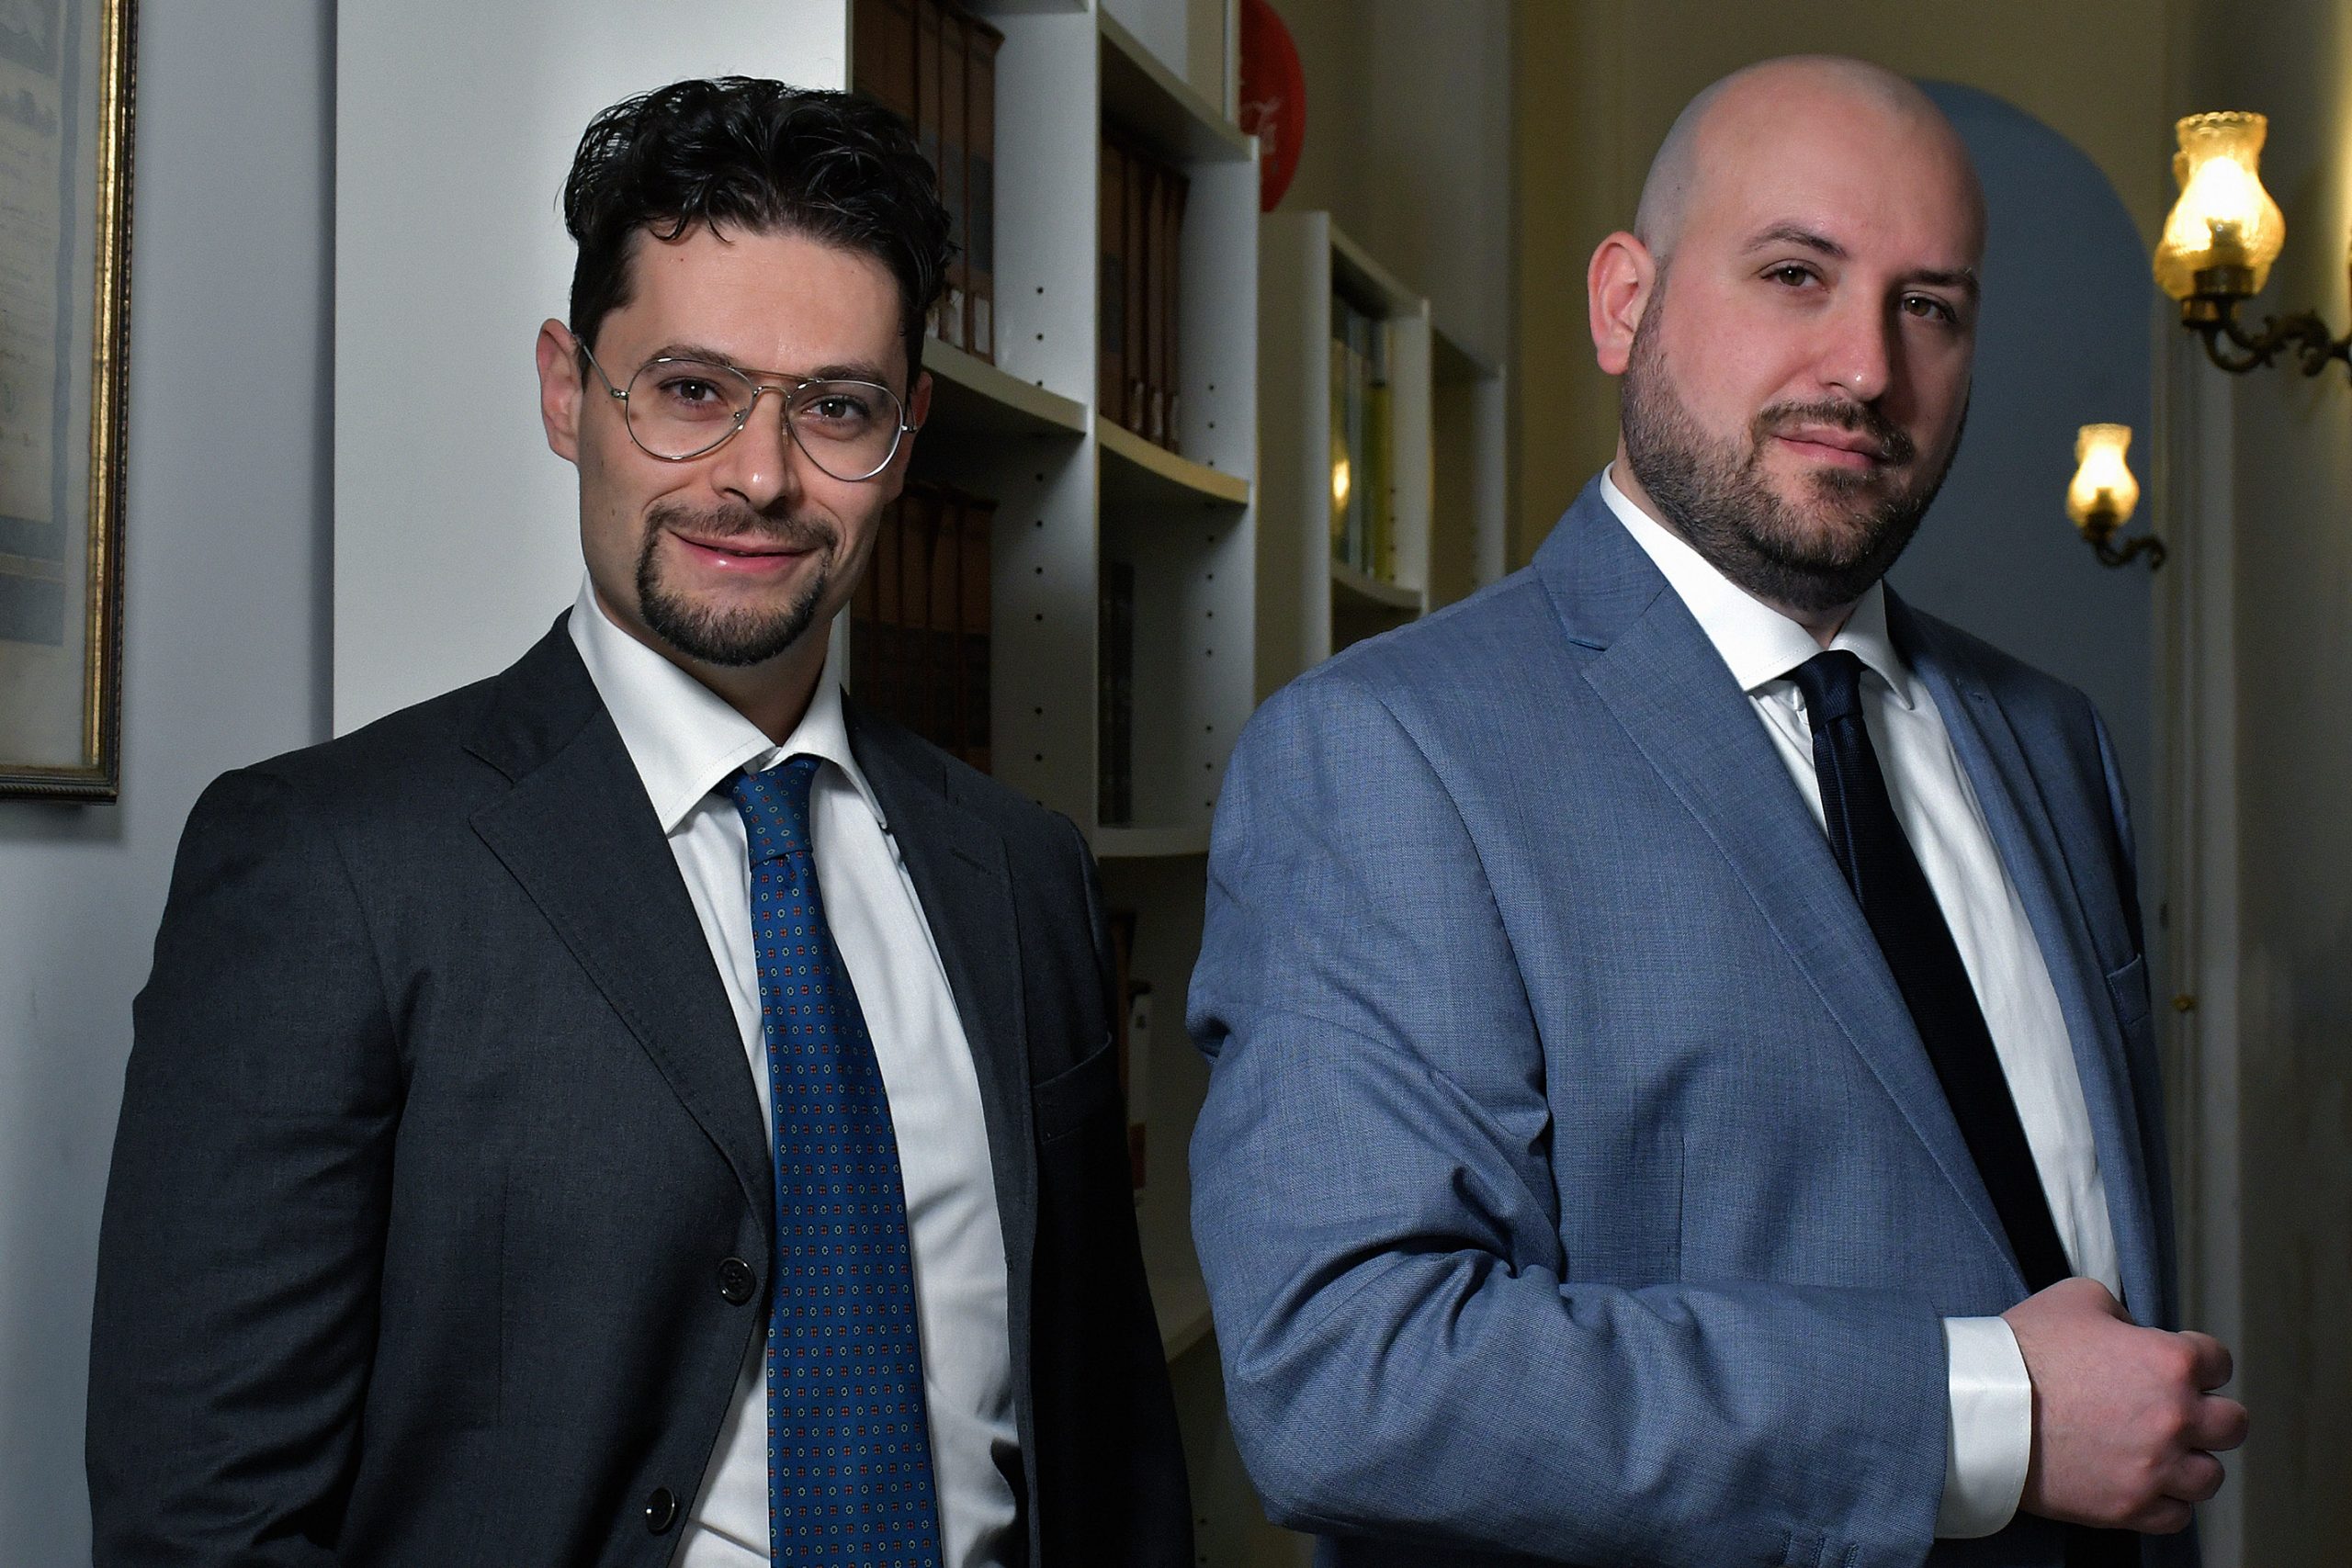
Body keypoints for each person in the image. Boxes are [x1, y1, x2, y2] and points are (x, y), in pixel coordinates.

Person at [88, 77, 1185, 1568]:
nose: (760, 476)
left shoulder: (1023, 871)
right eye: (691, 390)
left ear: (906, 433)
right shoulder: (328, 868)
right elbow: (206, 1524)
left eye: (837, 409)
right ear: (567, 392)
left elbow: (1110, 1449)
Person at [1188, 55, 2245, 1568]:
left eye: (1929, 306)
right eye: (1795, 273)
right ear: (1626, 302)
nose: (1867, 368)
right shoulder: (1382, 754)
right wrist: (1988, 1414)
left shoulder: (2050, 740)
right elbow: (1352, 1379)